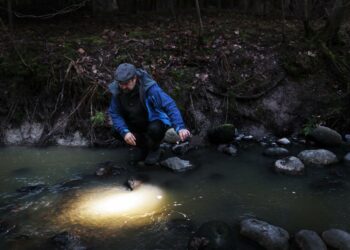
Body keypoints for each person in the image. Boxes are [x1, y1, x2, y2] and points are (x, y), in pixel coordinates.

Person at [108, 63, 191, 165]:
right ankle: (143, 147)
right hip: (133, 123)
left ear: (135, 78)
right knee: (115, 130)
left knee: (155, 129)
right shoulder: (117, 90)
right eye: (121, 83)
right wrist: (125, 132)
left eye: (126, 83)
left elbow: (169, 105)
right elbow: (115, 113)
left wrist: (180, 127)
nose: (123, 87)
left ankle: (155, 148)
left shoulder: (149, 88)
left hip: (152, 122)